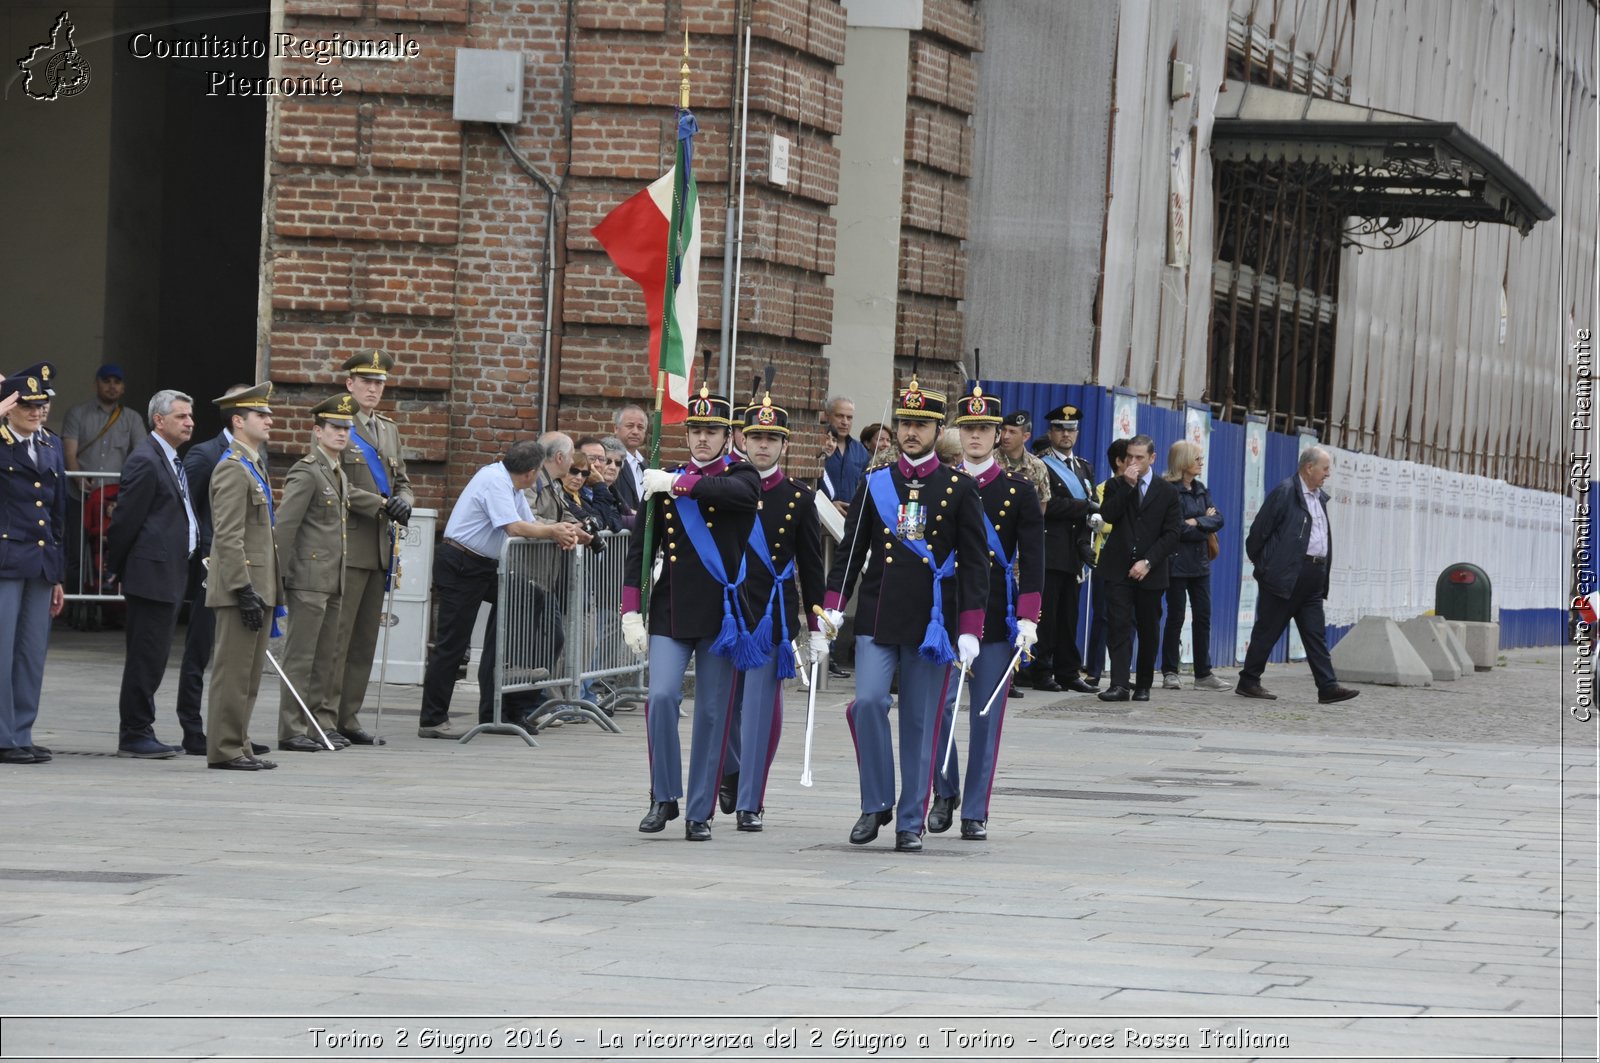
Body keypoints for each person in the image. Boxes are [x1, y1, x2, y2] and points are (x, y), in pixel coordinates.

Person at [822, 377, 989, 853]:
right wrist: (833, 608)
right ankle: (875, 802)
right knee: (869, 703)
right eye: (904, 423)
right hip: (879, 614)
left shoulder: (957, 488)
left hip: (933, 623)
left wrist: (971, 628)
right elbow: (851, 553)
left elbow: (976, 563)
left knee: (919, 723)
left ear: (939, 428)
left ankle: (910, 820)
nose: (910, 432)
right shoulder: (875, 483)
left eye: (920, 424)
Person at [621, 389, 761, 840]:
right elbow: (640, 552)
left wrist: (676, 484)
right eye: (696, 431)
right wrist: (630, 611)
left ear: (727, 436)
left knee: (713, 713)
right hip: (672, 607)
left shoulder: (741, 475)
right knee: (661, 697)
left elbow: (734, 494)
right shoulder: (665, 481)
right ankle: (663, 795)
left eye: (712, 431)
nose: (703, 439)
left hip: (721, 614)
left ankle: (700, 810)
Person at [929, 385, 1043, 841]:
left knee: (985, 716)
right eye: (969, 428)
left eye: (985, 429)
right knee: (937, 709)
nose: (975, 436)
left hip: (996, 612)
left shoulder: (1019, 491)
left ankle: (974, 809)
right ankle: (944, 789)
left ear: (999, 435)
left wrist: (1029, 618)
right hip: (944, 613)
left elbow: (1032, 560)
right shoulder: (939, 485)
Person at [418, 441, 587, 739]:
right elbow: (515, 528)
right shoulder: (495, 481)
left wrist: (569, 532)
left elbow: (530, 522)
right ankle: (432, 718)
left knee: (530, 596)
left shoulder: (513, 485)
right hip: (460, 563)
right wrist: (553, 531)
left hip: (484, 566)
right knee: (453, 644)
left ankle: (505, 697)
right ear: (531, 472)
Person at [721, 394, 827, 832]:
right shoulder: (725, 485)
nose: (762, 446)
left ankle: (751, 800)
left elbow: (811, 565)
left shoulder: (799, 497)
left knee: (760, 707)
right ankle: (731, 766)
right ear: (743, 440)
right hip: (726, 609)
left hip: (771, 615)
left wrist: (818, 623)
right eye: (756, 437)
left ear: (785, 444)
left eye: (772, 438)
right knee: (721, 705)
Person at [105, 388, 198, 759]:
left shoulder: (171, 458)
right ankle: (134, 732)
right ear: (159, 420)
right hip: (151, 573)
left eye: (190, 416)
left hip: (171, 571)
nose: (189, 422)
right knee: (146, 655)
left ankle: (142, 728)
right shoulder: (146, 459)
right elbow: (126, 519)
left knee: (155, 655)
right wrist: (118, 567)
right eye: (181, 416)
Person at [327, 351, 414, 746]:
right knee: (337, 639)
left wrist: (405, 501)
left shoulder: (389, 430)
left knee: (364, 642)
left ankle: (348, 716)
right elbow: (334, 482)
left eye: (379, 382)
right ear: (350, 384)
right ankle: (324, 715)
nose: (373, 389)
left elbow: (403, 481)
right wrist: (381, 504)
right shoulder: (339, 426)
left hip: (380, 548)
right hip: (348, 544)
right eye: (366, 381)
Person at [1236, 446, 1360, 704]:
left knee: (1315, 633)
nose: (1328, 474)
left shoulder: (1318, 498)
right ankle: (1249, 680)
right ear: (1309, 467)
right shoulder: (1285, 493)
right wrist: (1267, 567)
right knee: (1268, 630)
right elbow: (1258, 535)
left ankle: (1327, 686)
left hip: (1313, 575)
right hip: (1285, 575)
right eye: (1325, 468)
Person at [203, 382, 282, 771]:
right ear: (238, 421)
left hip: (259, 585)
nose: (270, 420)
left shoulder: (253, 464)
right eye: (260, 415)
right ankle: (224, 748)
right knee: (232, 673)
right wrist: (242, 588)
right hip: (242, 586)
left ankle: (240, 740)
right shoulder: (232, 470)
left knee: (249, 676)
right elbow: (229, 536)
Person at [274, 395, 355, 752]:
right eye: (335, 428)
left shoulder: (337, 471)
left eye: (346, 428)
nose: (342, 433)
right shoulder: (306, 471)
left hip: (332, 577)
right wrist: (275, 574)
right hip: (308, 578)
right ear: (317, 431)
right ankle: (291, 728)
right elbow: (284, 527)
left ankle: (317, 725)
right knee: (301, 656)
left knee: (326, 657)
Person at [174, 383, 252, 756]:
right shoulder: (206, 454)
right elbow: (187, 507)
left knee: (235, 653)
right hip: (210, 563)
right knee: (201, 648)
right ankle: (192, 728)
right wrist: (204, 551)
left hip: (242, 563)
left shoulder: (253, 455)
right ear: (237, 416)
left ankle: (234, 732)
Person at [0, 364, 67, 765]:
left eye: (42, 404)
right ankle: (3, 735)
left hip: (40, 562)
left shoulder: (49, 445)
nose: (37, 411)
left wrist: (58, 574)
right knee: (2, 651)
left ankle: (21, 731)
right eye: (27, 405)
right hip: (6, 561)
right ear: (9, 407)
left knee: (30, 651)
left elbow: (58, 514)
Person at [1095, 434, 1182, 702]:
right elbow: (1108, 514)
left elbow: (1172, 533)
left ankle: (1143, 683)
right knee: (1118, 626)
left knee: (1148, 628)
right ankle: (1120, 684)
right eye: (1130, 456)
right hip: (1117, 567)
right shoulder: (1115, 485)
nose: (1133, 462)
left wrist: (1149, 561)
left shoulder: (1167, 492)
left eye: (1139, 458)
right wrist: (1127, 487)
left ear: (1152, 458)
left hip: (1151, 571)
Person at [1030, 404, 1098, 693]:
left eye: (1070, 429)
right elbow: (1046, 506)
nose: (1066, 434)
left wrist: (1085, 539)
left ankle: (1068, 671)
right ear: (1050, 432)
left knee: (1070, 617)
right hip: (1050, 550)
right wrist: (1084, 507)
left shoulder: (1084, 466)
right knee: (1047, 616)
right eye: (1059, 428)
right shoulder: (1041, 464)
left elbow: (1089, 507)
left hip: (1073, 553)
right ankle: (1041, 670)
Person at [61, 364, 147, 592]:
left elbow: (141, 458)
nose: (111, 386)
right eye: (106, 381)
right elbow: (69, 452)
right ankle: (73, 606)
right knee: (77, 553)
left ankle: (113, 609)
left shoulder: (133, 419)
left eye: (116, 382)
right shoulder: (77, 413)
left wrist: (123, 493)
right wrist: (79, 479)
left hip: (115, 502)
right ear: (96, 384)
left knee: (116, 551)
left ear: (123, 387)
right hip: (80, 496)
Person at [1159, 440, 1231, 692]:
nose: (1201, 462)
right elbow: (1175, 528)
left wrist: (1196, 523)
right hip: (1176, 564)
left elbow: (1219, 519)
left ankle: (1203, 673)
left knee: (1203, 617)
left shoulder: (1201, 489)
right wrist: (1203, 522)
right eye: (1197, 458)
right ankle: (1170, 671)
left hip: (1200, 564)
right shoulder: (1169, 490)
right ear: (1184, 462)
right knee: (1176, 617)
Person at [1082, 438, 1129, 685]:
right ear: (1120, 462)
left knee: (1127, 620)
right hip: (1104, 561)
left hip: (1130, 562)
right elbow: (1101, 520)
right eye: (1129, 457)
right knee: (1102, 617)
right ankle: (1094, 670)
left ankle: (1122, 672)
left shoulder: (1141, 488)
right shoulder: (1102, 489)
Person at [819, 395, 869, 516]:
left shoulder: (860, 450)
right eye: (839, 416)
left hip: (849, 521)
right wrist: (828, 505)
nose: (845, 422)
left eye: (849, 417)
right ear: (827, 415)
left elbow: (865, 488)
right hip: (820, 517)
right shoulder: (816, 446)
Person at [527, 431, 574, 522]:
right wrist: (559, 529)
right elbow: (528, 519)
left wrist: (576, 524)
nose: (572, 462)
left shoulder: (556, 483)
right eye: (571, 456)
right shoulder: (530, 481)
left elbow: (564, 512)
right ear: (559, 457)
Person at [612, 404, 649, 515]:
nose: (635, 431)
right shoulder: (609, 462)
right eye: (630, 426)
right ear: (616, 428)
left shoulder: (646, 466)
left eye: (640, 427)